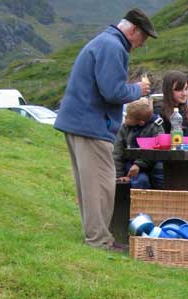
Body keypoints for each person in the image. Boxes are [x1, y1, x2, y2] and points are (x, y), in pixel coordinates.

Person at [54, 9, 157, 251]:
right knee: (100, 186)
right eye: (142, 39)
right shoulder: (113, 47)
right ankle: (99, 241)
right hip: (92, 125)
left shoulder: (104, 41)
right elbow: (113, 91)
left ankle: (96, 236)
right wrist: (137, 90)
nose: (140, 45)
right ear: (132, 31)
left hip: (80, 122)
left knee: (89, 185)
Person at [114, 97, 164, 189]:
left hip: (151, 162)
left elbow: (156, 148)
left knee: (161, 177)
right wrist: (119, 174)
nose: (125, 118)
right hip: (131, 164)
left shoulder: (156, 127)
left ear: (141, 122)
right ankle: (141, 201)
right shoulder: (124, 128)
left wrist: (139, 164)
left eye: (128, 117)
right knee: (140, 180)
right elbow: (118, 151)